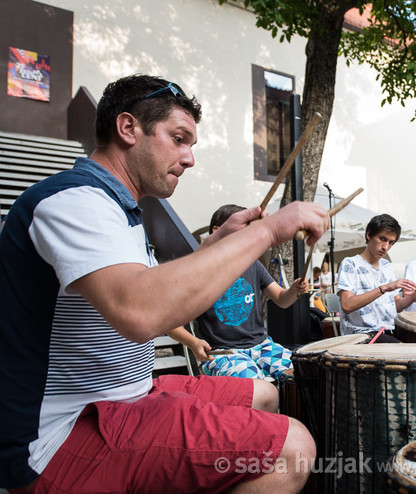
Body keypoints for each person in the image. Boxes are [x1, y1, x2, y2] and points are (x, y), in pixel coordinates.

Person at [0, 75, 327, 492]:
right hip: (62, 432)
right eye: (179, 138)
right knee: (295, 448)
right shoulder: (74, 200)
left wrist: (217, 242)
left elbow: (156, 287)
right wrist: (264, 234)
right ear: (128, 128)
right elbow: (141, 311)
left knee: (262, 393)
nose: (189, 158)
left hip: (128, 394)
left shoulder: (122, 210)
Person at [169, 204, 310, 381]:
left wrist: (294, 290)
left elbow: (282, 299)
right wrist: (193, 342)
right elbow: (168, 321)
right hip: (222, 352)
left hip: (262, 346)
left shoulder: (253, 264)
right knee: (256, 385)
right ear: (217, 230)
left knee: (302, 371)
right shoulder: (199, 270)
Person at [336, 214, 416, 342]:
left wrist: (413, 297)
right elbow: (347, 305)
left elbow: (396, 305)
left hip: (388, 331)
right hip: (362, 335)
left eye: (391, 242)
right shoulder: (350, 264)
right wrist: (384, 288)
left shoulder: (386, 266)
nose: (386, 247)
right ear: (369, 235)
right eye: (382, 239)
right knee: (406, 353)